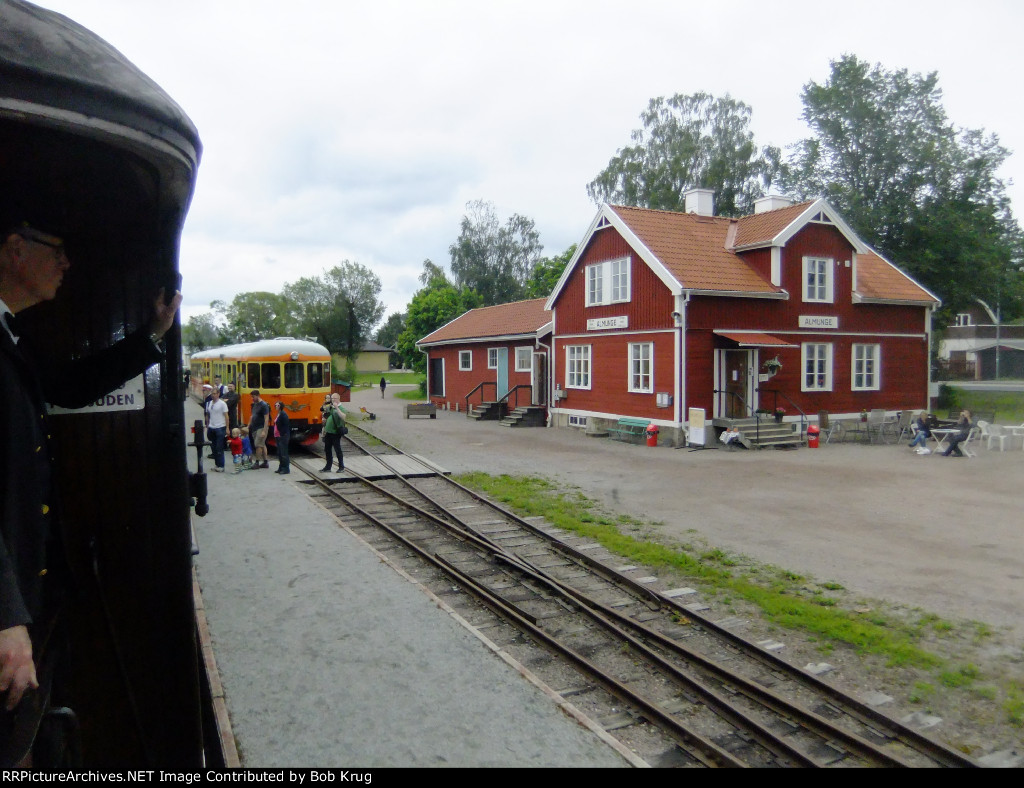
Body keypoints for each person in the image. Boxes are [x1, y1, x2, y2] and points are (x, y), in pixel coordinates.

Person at [0, 219, 181, 761]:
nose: (66, 263)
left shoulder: (11, 334)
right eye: (56, 250)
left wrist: (152, 336)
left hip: (31, 590)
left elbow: (70, 387)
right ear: (14, 249)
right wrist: (5, 616)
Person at [204, 386, 229, 473]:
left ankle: (221, 465)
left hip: (220, 427)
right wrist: (207, 424)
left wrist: (227, 428)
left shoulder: (222, 404)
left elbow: (226, 416)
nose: (213, 395)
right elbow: (207, 414)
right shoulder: (209, 403)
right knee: (213, 447)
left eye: (214, 394)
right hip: (211, 427)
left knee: (219, 447)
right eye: (212, 394)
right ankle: (217, 465)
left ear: (218, 394)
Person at [320, 392, 347, 473]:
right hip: (328, 432)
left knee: (337, 449)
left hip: (335, 432)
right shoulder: (331, 407)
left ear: (338, 399)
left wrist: (337, 408)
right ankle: (328, 467)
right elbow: (325, 412)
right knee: (327, 449)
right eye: (332, 399)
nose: (333, 400)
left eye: (334, 398)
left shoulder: (341, 408)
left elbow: (343, 417)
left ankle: (341, 467)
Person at [248, 390, 270, 469]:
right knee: (262, 444)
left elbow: (266, 418)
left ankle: (257, 462)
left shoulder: (264, 405)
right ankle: (265, 462)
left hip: (261, 427)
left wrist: (264, 430)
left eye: (253, 397)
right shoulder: (254, 404)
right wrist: (248, 425)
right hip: (255, 427)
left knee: (258, 445)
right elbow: (252, 416)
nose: (252, 398)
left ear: (258, 395)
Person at [273, 402, 290, 475]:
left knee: (283, 453)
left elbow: (286, 425)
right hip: (277, 436)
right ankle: (280, 467)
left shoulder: (283, 414)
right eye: (275, 405)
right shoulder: (279, 414)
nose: (276, 406)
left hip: (282, 436)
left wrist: (282, 434)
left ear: (281, 406)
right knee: (279, 452)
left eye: (278, 405)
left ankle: (286, 469)